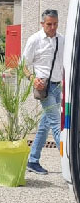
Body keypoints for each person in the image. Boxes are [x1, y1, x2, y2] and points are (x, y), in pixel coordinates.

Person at [23, 9, 64, 175]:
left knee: (44, 126)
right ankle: (71, 162)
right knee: (56, 123)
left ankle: (33, 161)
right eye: (49, 24)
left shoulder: (62, 40)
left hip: (57, 86)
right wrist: (33, 79)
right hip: (43, 87)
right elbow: (22, 65)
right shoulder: (34, 40)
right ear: (42, 24)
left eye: (55, 24)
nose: (52, 27)